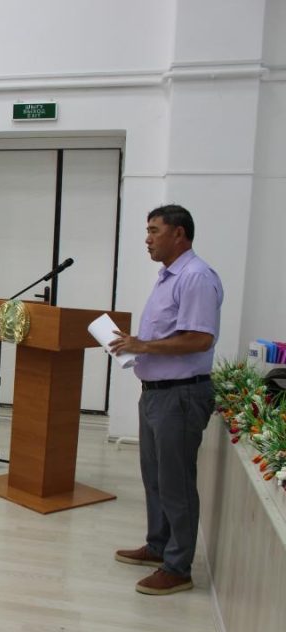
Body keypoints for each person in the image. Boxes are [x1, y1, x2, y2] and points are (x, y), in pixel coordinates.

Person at [109, 204, 223, 596]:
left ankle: (178, 568)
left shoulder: (195, 277)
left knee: (176, 482)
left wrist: (142, 345)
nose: (147, 239)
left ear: (179, 233)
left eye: (154, 230)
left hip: (181, 395)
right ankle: (159, 546)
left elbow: (200, 339)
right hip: (157, 394)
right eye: (147, 231)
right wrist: (134, 346)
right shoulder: (168, 276)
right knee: (156, 478)